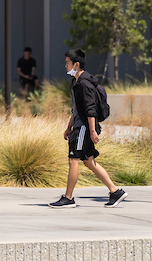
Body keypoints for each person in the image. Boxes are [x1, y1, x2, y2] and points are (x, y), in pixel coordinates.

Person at [49, 49, 126, 209]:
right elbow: (77, 108)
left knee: (73, 160)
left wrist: (92, 131)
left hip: (84, 128)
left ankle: (68, 198)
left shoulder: (84, 84)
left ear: (76, 64)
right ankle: (115, 191)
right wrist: (69, 127)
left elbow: (90, 110)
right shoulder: (76, 82)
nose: (65, 65)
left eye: (67, 63)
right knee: (88, 161)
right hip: (79, 126)